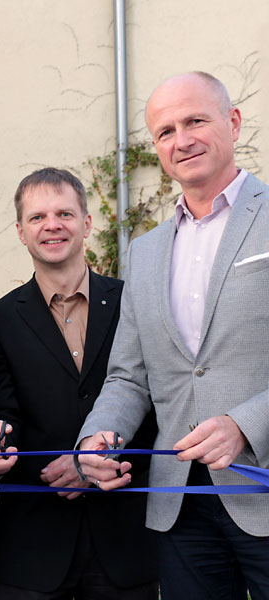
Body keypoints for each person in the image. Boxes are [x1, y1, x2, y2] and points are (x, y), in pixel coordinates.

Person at [76, 71, 269, 599]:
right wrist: (96, 437)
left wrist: (245, 424)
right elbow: (128, 377)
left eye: (195, 121)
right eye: (164, 131)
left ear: (232, 123)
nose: (180, 140)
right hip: (179, 504)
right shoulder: (146, 250)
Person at [0, 168, 158, 599]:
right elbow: (0, 415)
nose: (51, 225)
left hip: (125, 543)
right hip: (32, 545)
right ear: (20, 231)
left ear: (87, 223)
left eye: (64, 213)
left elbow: (153, 401)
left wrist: (94, 465)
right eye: (37, 217)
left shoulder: (134, 303)